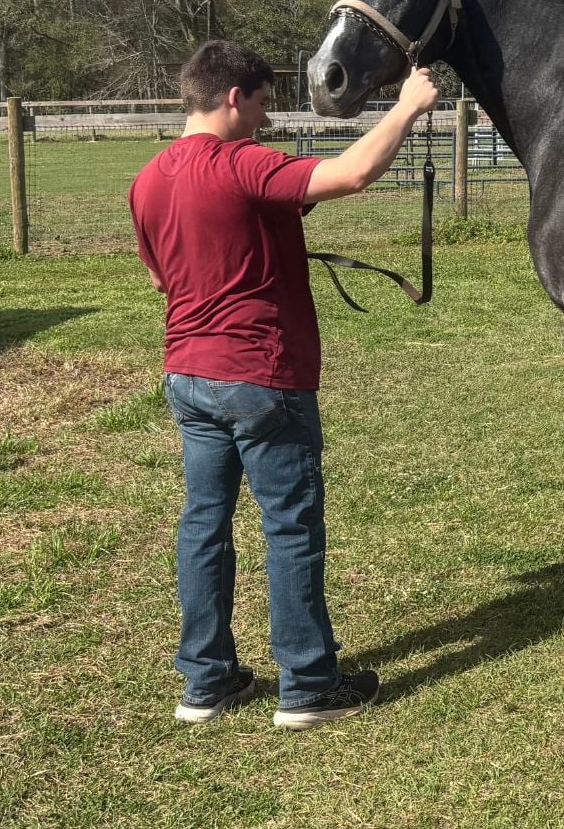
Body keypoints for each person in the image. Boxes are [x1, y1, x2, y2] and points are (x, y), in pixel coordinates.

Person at [129, 39, 439, 729]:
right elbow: (351, 174)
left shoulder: (147, 180)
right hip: (262, 375)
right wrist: (409, 107)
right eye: (264, 103)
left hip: (188, 372)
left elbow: (160, 277)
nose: (267, 119)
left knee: (203, 527)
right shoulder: (242, 163)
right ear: (235, 97)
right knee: (291, 527)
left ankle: (205, 682)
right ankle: (308, 684)